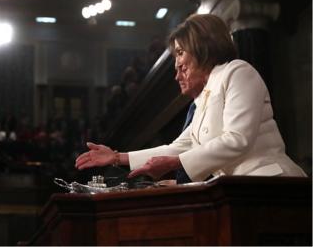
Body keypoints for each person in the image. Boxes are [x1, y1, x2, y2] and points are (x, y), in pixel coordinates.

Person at [75, 14, 306, 183]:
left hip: (273, 183)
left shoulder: (237, 71)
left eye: (180, 52)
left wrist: (176, 164)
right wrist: (117, 157)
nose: (177, 64)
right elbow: (179, 147)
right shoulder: (202, 99)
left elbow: (237, 138)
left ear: (202, 46)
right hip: (239, 191)